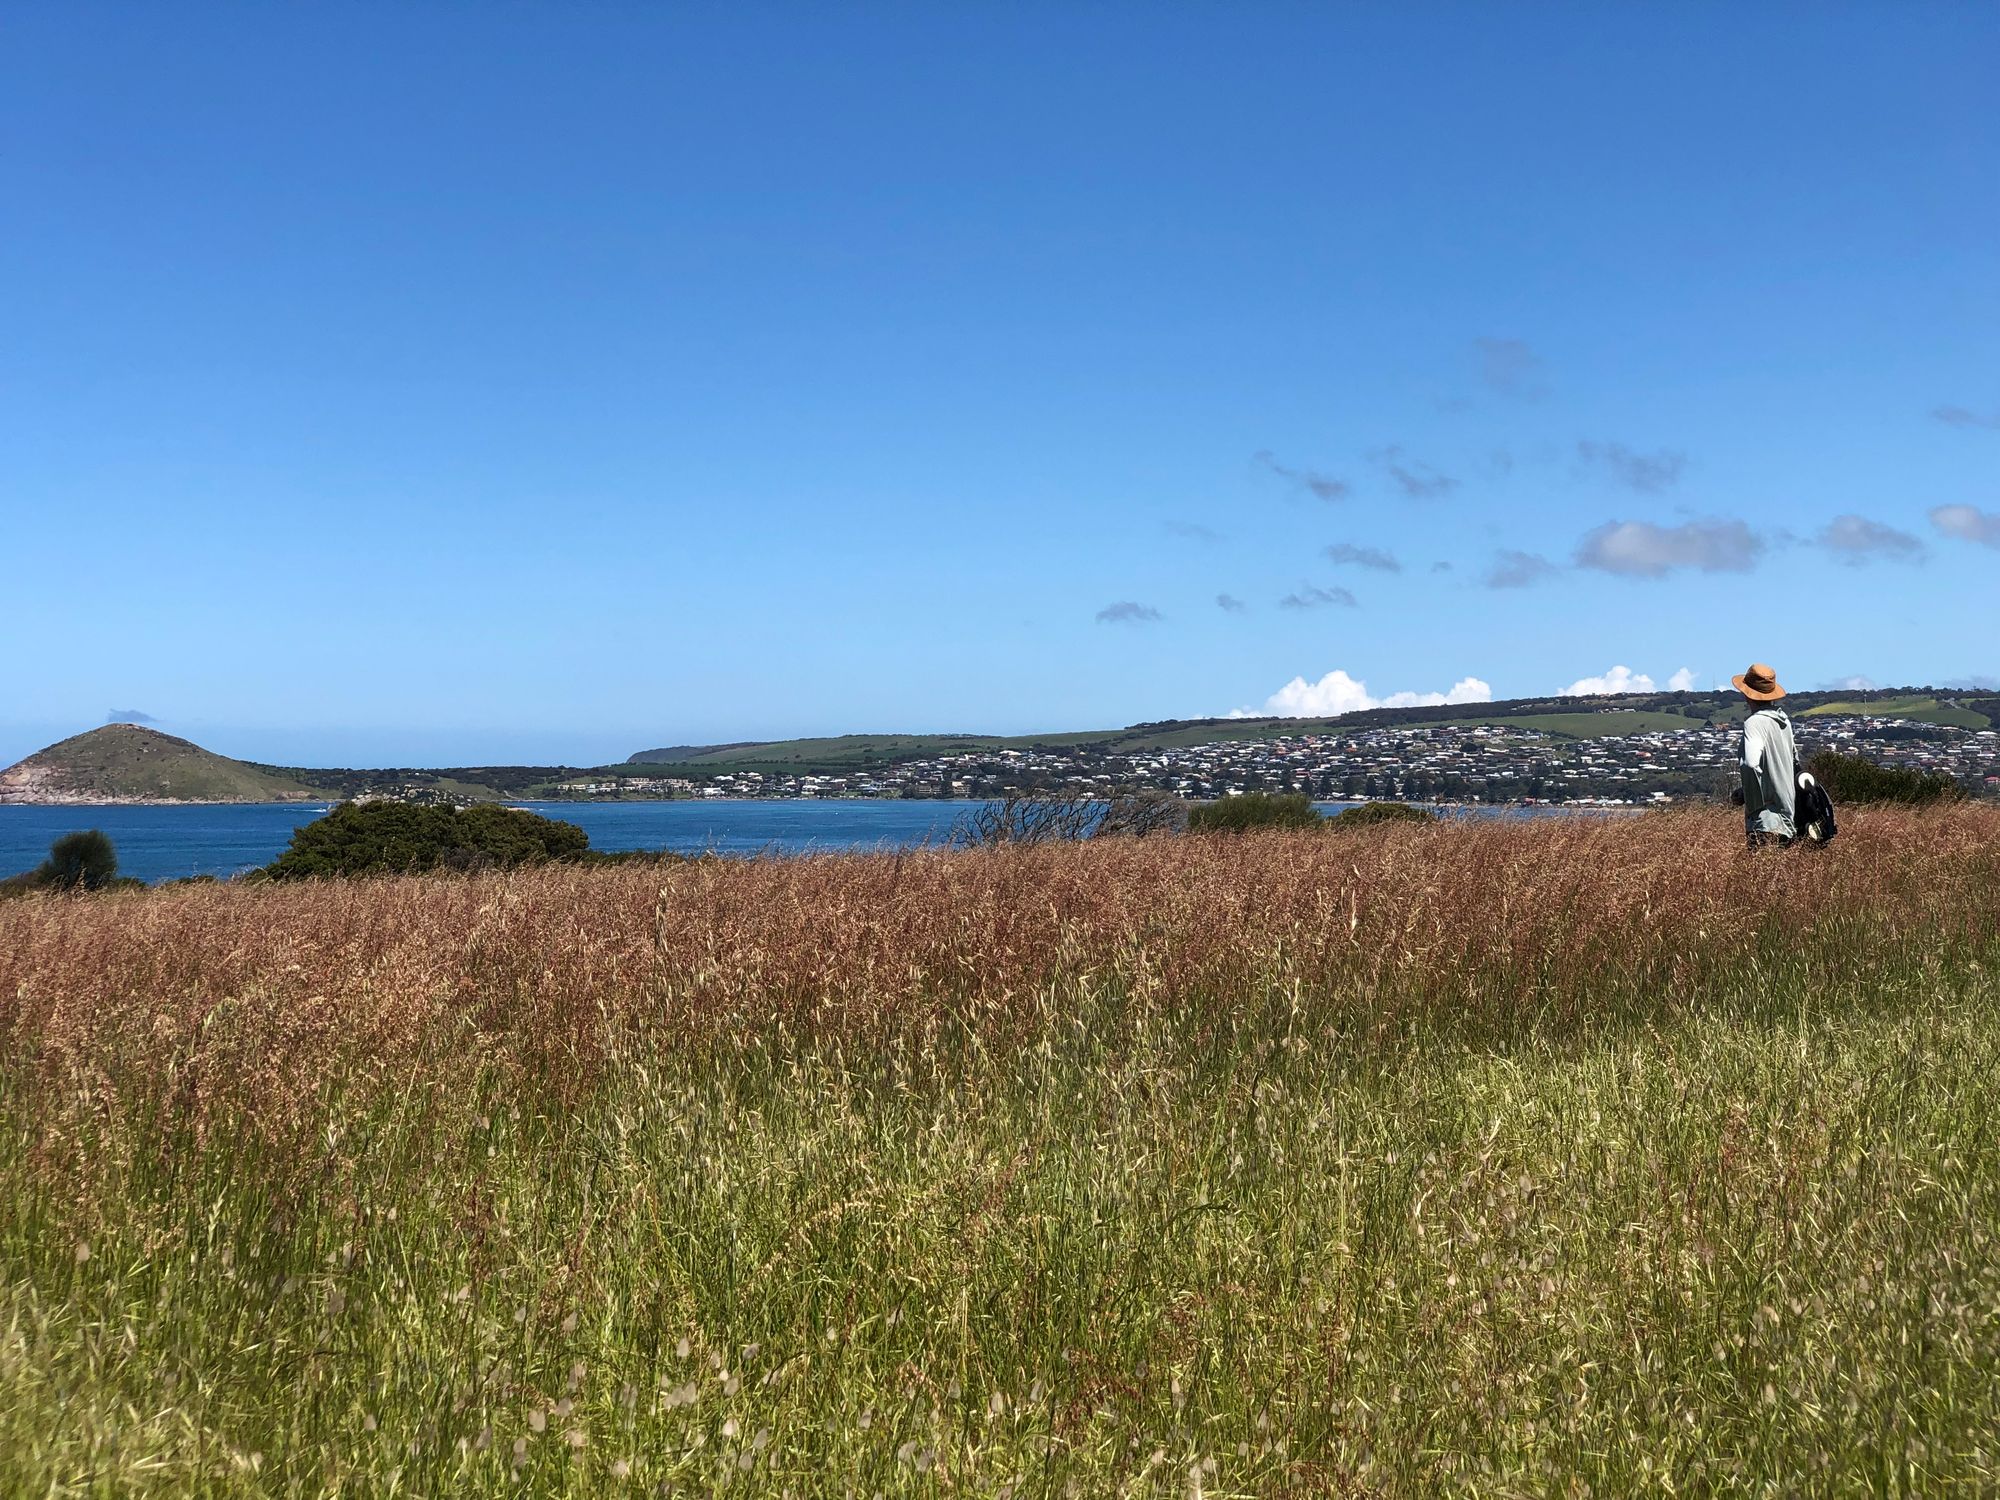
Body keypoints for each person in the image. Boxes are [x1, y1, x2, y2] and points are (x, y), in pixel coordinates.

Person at [1732, 662, 1798, 848]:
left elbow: (1751, 765)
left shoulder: (1754, 723)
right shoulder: (1784, 722)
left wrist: (1752, 802)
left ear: (1747, 693)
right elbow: (1792, 764)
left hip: (1765, 821)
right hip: (1788, 818)